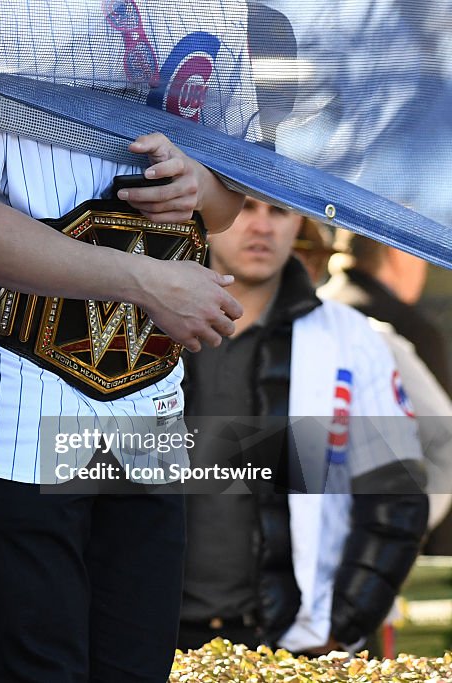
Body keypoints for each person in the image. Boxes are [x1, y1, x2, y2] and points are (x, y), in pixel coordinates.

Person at [0, 2, 258, 680]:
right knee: (37, 666)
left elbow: (230, 195)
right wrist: (147, 282)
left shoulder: (211, 6)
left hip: (146, 398)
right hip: (14, 395)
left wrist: (201, 182)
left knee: (136, 664)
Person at [177, 197, 429, 655]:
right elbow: (92, 482)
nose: (262, 226)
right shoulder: (150, 328)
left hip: (295, 643)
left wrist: (341, 627)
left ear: (299, 220)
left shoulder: (352, 339)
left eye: (279, 210)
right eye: (245, 206)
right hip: (155, 637)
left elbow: (396, 497)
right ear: (209, 210)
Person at [319, 231, 452, 554]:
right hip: (390, 543)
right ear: (399, 253)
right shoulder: (407, 328)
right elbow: (444, 439)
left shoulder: (312, 312)